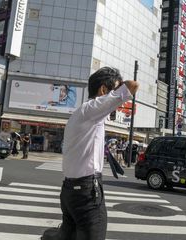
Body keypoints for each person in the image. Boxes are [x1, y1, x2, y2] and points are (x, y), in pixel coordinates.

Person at [48, 67, 138, 240]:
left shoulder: (82, 113)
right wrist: (120, 88)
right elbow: (133, 85)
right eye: (113, 90)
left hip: (70, 192)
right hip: (86, 194)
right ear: (103, 90)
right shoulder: (92, 110)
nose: (116, 106)